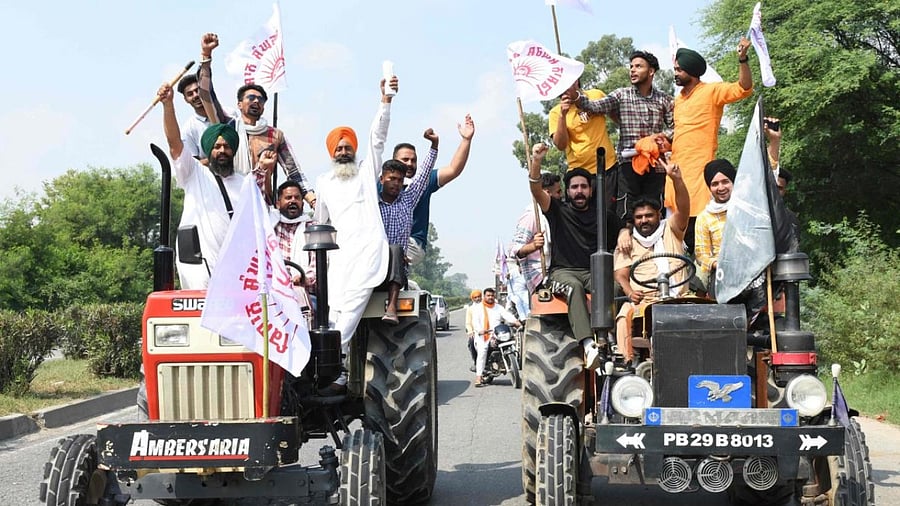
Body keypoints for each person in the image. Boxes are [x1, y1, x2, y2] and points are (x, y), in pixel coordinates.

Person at [313, 77, 397, 393]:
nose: (344, 150)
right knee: (331, 310)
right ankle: (328, 366)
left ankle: (333, 366)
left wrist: (385, 102)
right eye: (339, 147)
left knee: (349, 309)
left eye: (348, 146)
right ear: (332, 153)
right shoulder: (324, 183)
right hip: (339, 257)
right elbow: (320, 222)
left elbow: (378, 137)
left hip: (368, 252)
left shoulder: (365, 171)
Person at [158, 83, 275, 289]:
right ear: (208, 150)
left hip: (239, 270)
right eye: (217, 146)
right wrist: (168, 106)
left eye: (227, 147)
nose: (222, 151)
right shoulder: (194, 173)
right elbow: (175, 143)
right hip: (199, 268)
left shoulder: (244, 183)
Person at [197, 37, 316, 207]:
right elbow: (206, 93)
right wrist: (206, 56)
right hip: (228, 202)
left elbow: (294, 172)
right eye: (251, 97)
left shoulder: (274, 135)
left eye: (261, 99)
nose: (256, 102)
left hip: (262, 206)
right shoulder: (226, 127)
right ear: (239, 104)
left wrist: (313, 201)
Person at [668, 40, 753, 253]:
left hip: (698, 175)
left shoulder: (712, 91)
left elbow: (743, 88)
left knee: (698, 238)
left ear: (692, 72)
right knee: (674, 243)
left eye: (679, 70)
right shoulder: (678, 100)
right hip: (675, 174)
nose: (675, 73)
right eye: (675, 69)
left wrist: (742, 59)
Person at [574, 51, 674, 225]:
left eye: (638, 66)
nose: (633, 70)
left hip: (656, 165)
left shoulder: (664, 99)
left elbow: (677, 127)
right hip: (629, 164)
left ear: (651, 72)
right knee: (627, 213)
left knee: (655, 211)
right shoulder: (621, 95)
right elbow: (594, 106)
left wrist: (660, 139)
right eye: (631, 67)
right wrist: (575, 95)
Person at [528, 144, 604, 369]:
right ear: (567, 191)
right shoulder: (558, 210)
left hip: (593, 272)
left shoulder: (602, 214)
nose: (579, 191)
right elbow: (535, 189)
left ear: (590, 190)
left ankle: (613, 341)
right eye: (574, 187)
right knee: (574, 287)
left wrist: (623, 234)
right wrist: (536, 161)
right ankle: (589, 345)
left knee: (613, 288)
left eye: (583, 186)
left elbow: (622, 228)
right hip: (563, 273)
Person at [613, 158, 690, 362]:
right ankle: (627, 364)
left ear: (658, 215)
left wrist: (677, 180)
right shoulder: (627, 241)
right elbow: (621, 274)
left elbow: (683, 208)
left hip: (678, 297)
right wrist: (630, 293)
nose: (644, 220)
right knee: (623, 316)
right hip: (644, 300)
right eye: (639, 217)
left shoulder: (672, 229)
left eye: (649, 215)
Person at [392, 115, 475, 264]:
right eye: (405, 160)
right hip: (388, 242)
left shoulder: (422, 182)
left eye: (414, 160)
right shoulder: (381, 185)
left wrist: (466, 140)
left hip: (412, 244)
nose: (410, 164)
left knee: (387, 249)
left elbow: (453, 169)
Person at [550, 80, 618, 247]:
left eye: (569, 82)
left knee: (610, 216)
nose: (566, 88)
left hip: (607, 168)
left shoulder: (595, 95)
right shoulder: (555, 112)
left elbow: (616, 116)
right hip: (579, 176)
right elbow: (560, 145)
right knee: (583, 219)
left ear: (577, 81)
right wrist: (563, 116)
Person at [378, 132, 437, 323]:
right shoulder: (371, 203)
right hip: (371, 263)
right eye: (391, 178)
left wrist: (434, 146)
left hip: (395, 270)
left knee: (395, 249)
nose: (395, 183)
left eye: (399, 180)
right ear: (381, 180)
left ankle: (392, 307)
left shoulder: (408, 200)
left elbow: (424, 173)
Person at [177, 33, 236, 160]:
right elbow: (193, 164)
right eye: (190, 94)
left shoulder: (230, 115)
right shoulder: (189, 129)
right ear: (186, 100)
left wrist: (206, 55)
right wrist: (219, 159)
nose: (196, 95)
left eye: (197, 91)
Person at [510, 172, 560, 294]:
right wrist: (533, 246)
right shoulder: (531, 216)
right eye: (558, 192)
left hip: (557, 272)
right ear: (547, 193)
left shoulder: (556, 214)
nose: (561, 195)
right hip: (540, 278)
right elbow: (515, 251)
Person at [693, 159, 737, 297]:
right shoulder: (704, 217)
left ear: (733, 182)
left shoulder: (746, 209)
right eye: (715, 184)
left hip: (752, 273)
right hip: (721, 277)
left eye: (725, 181)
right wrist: (717, 264)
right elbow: (701, 255)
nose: (721, 187)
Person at [272, 180, 315, 314]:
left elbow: (317, 264)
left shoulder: (311, 227)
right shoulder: (271, 227)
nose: (293, 201)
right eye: (288, 198)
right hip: (275, 293)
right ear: (278, 204)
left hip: (305, 293)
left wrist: (304, 278)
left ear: (302, 203)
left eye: (297, 198)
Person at [469, 287, 521, 387]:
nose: (490, 297)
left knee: (511, 342)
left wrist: (515, 321)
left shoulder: (498, 307)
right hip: (483, 336)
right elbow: (475, 321)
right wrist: (480, 330)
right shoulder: (478, 308)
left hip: (497, 334)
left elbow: (506, 315)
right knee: (483, 351)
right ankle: (479, 377)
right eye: (488, 295)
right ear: (484, 296)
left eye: (492, 295)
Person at [464, 289, 482, 372]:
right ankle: (476, 362)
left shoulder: (486, 307)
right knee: (471, 342)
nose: (477, 299)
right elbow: (468, 323)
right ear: (472, 299)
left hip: (488, 331)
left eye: (479, 297)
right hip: (476, 332)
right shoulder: (470, 309)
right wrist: (471, 332)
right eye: (475, 297)